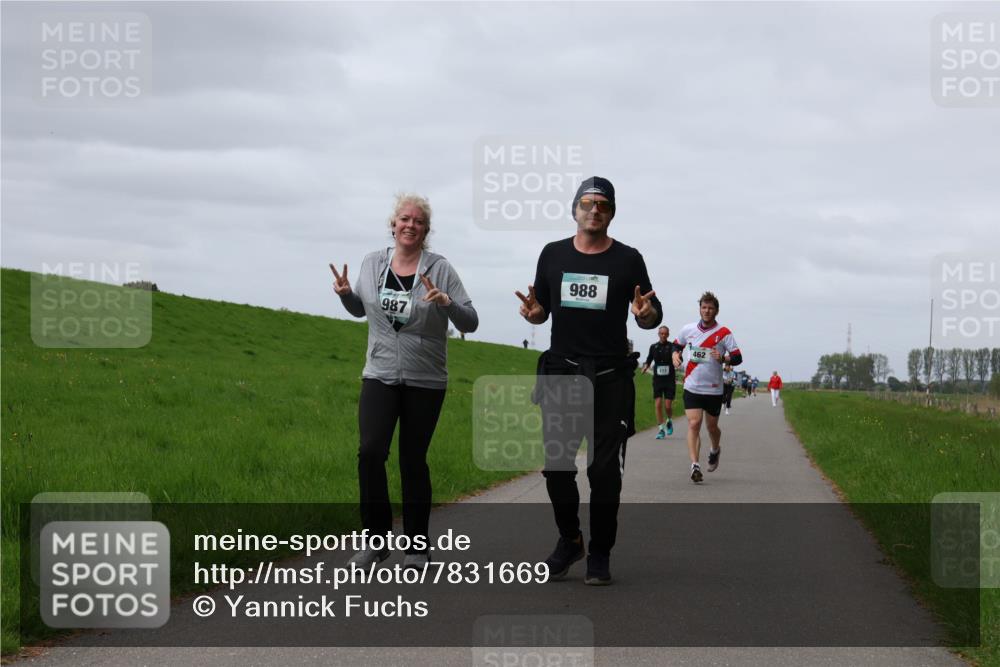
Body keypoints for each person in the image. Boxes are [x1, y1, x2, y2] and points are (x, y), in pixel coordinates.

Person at [516, 176, 661, 585]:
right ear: (575, 209)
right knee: (557, 468)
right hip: (562, 373)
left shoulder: (628, 259)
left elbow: (651, 313)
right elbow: (542, 309)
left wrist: (644, 314)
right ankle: (570, 540)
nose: (594, 209)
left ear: (611, 213)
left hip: (610, 377)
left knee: (604, 473)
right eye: (587, 203)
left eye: (603, 204)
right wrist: (534, 314)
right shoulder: (553, 254)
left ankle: (600, 553)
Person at [331, 193, 479, 569]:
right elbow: (360, 309)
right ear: (393, 224)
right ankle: (375, 541)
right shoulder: (372, 263)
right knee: (370, 453)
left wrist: (446, 302)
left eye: (418, 221)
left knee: (412, 461)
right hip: (379, 373)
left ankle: (416, 547)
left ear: (426, 230)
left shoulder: (440, 268)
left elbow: (471, 320)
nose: (410, 225)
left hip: (425, 379)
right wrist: (347, 295)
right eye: (404, 219)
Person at [672, 292, 742, 483]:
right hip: (692, 385)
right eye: (704, 307)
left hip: (713, 388)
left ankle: (715, 449)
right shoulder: (688, 329)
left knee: (712, 427)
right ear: (700, 309)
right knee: (694, 423)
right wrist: (675, 355)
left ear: (716, 311)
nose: (707, 311)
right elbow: (676, 345)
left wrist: (724, 358)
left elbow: (737, 357)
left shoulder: (724, 333)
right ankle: (695, 465)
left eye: (710, 308)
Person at [641, 326, 679, 438]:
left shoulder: (672, 346)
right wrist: (645, 366)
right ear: (658, 334)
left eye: (665, 334)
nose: (663, 335)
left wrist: (677, 359)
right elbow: (649, 359)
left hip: (669, 380)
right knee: (658, 404)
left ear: (668, 334)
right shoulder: (653, 347)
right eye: (661, 333)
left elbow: (675, 355)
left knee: (667, 406)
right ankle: (661, 429)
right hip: (658, 380)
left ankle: (669, 420)